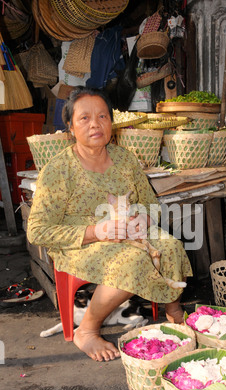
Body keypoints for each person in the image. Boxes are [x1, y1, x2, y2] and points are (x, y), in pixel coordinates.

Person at [27, 86, 192, 362]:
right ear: (70, 127)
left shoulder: (125, 159)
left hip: (127, 234)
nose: (95, 124)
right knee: (133, 261)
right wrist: (96, 232)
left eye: (103, 116)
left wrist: (144, 218)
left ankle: (173, 312)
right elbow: (38, 231)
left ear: (111, 123)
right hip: (79, 243)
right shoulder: (58, 170)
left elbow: (151, 203)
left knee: (171, 245)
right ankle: (87, 331)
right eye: (84, 118)